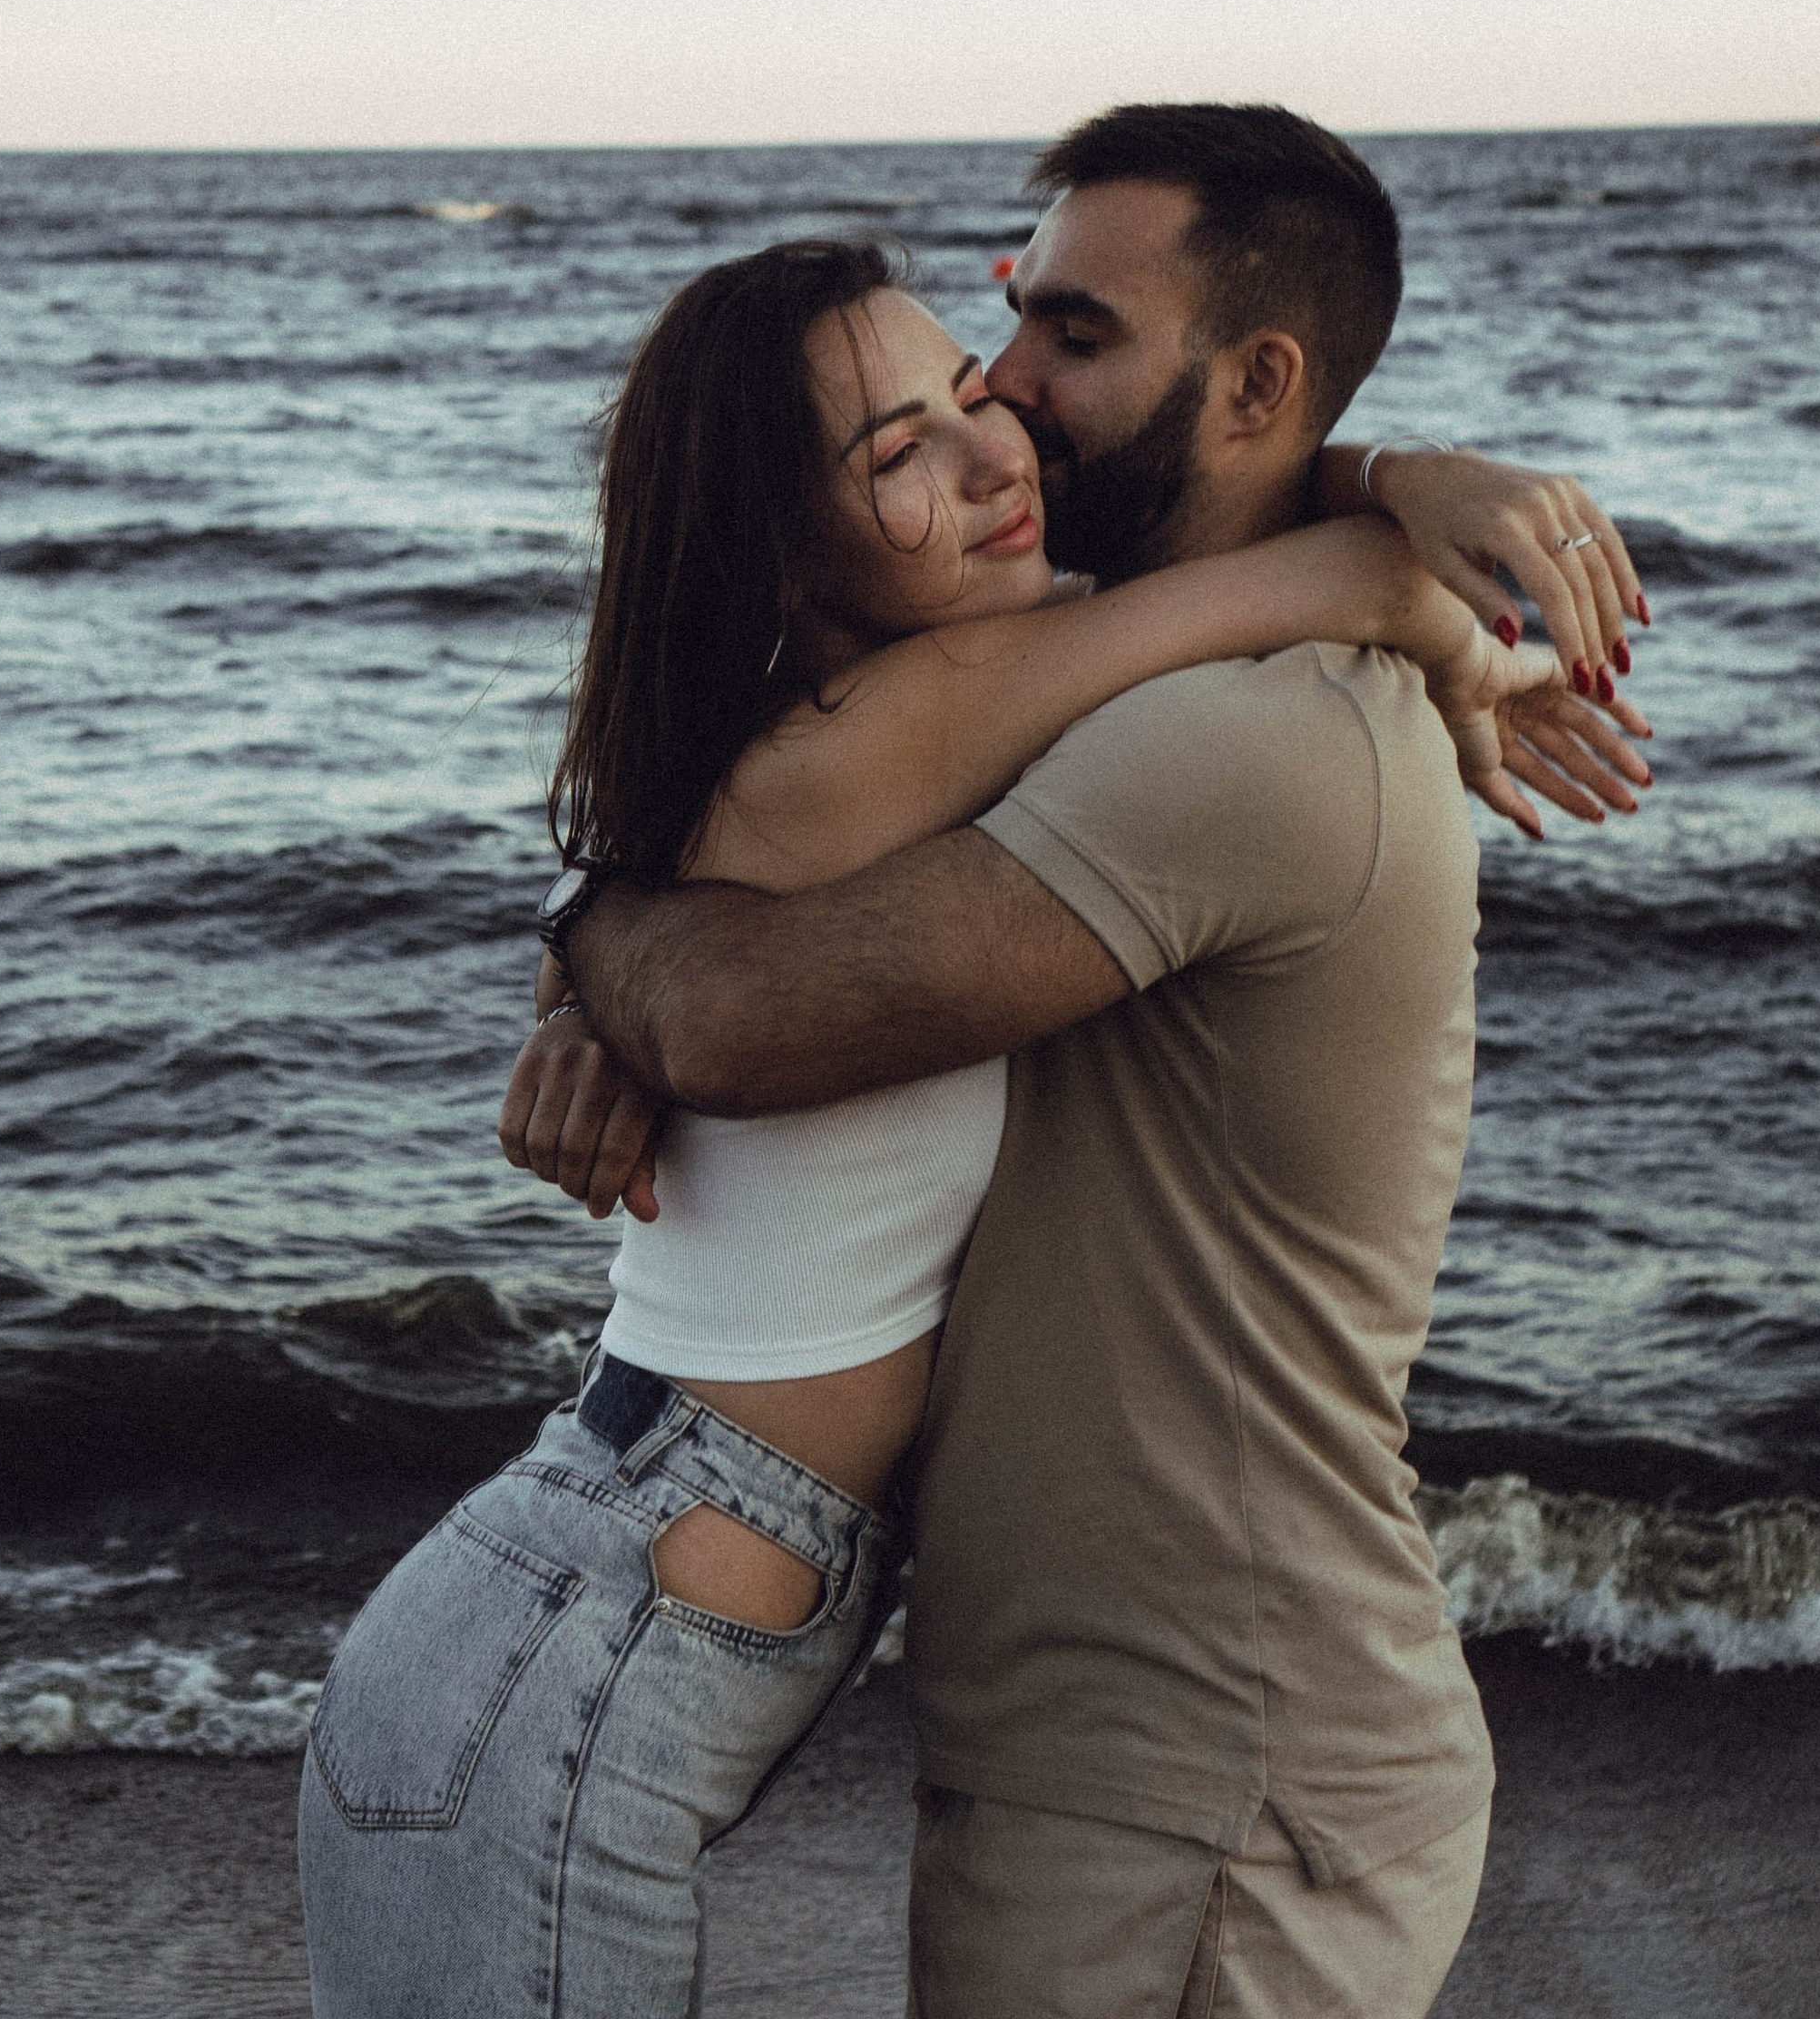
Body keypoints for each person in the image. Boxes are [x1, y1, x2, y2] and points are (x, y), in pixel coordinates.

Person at [298, 127, 1646, 2018]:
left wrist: (597, 957)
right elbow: (726, 971)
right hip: (880, 1693)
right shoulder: (991, 709)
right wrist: (1407, 547)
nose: (1002, 414)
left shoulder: (1192, 745)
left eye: (1046, 348)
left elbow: (726, 1006)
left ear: (1254, 380)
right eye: (934, 406)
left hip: (1182, 1762)